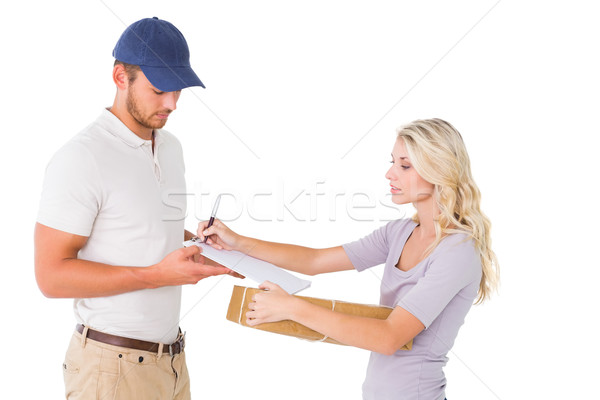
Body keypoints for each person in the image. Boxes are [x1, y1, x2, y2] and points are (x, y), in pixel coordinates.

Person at [198, 118, 499, 400]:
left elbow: (389, 337)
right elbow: (314, 260)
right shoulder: (400, 232)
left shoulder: (457, 250)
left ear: (439, 170)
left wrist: (291, 307)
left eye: (405, 166)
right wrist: (237, 242)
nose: (390, 173)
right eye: (392, 162)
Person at [34, 17, 238, 400]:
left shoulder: (171, 147)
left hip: (172, 363)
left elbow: (137, 226)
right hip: (109, 370)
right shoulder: (81, 158)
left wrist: (202, 245)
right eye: (159, 89)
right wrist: (156, 275)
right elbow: (50, 276)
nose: (172, 104)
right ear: (120, 77)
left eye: (178, 90)